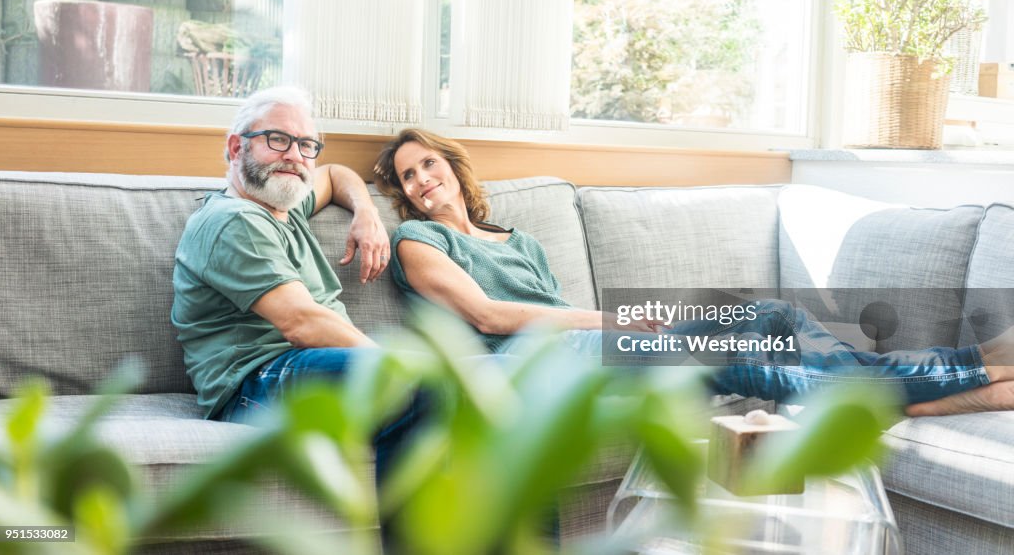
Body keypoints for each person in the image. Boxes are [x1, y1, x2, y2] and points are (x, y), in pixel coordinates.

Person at [373, 128, 1014, 417]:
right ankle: (960, 371)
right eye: (409, 176)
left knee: (770, 315)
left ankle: (916, 394)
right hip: (521, 361)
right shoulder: (415, 239)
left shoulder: (521, 240)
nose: (423, 181)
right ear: (404, 195)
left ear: (453, 168)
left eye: (429, 164)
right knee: (733, 360)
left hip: (585, 345)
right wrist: (620, 320)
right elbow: (492, 317)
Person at [171, 87, 418, 478]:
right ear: (237, 148)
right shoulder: (235, 219)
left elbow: (335, 175)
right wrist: (398, 366)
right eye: (278, 139)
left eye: (306, 145)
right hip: (257, 385)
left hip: (307, 367)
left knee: (500, 376)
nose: (295, 156)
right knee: (420, 387)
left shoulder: (283, 202)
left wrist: (366, 211)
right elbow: (301, 323)